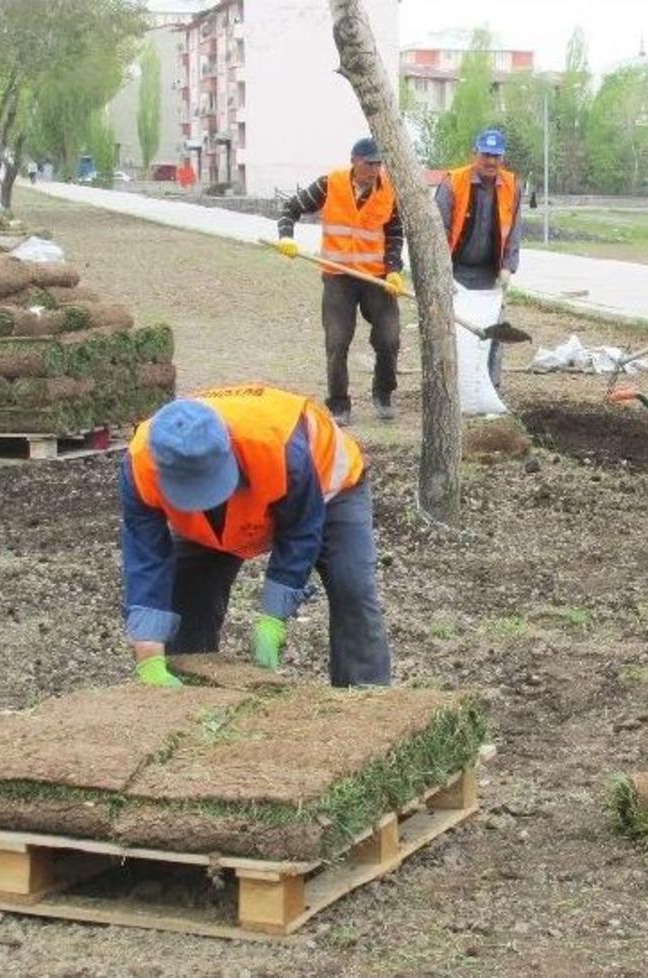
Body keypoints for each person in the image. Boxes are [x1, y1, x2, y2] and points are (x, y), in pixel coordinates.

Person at [120, 384, 392, 690]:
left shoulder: (280, 447)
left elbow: (301, 532)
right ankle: (187, 692)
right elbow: (145, 556)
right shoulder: (140, 463)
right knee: (188, 589)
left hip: (330, 492)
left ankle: (367, 694)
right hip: (227, 514)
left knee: (351, 584)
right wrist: (148, 652)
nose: (206, 499)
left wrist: (273, 617)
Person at [275, 137, 405, 425]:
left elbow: (395, 233)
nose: (375, 169)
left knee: (389, 338)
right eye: (369, 163)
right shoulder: (329, 184)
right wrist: (286, 237)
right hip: (338, 277)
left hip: (376, 278)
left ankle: (383, 393)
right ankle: (339, 404)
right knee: (337, 341)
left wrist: (394, 268)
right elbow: (289, 208)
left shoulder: (388, 191)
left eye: (378, 164)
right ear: (354, 160)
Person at [435, 128, 523, 390]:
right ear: (475, 154)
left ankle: (488, 387)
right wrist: (442, 272)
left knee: (494, 330)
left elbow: (514, 229)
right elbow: (438, 231)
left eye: (496, 156)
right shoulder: (453, 183)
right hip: (456, 270)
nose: (491, 162)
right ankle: (450, 387)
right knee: (452, 330)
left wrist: (508, 267)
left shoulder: (511, 186)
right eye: (486, 155)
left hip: (489, 272)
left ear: (503, 158)